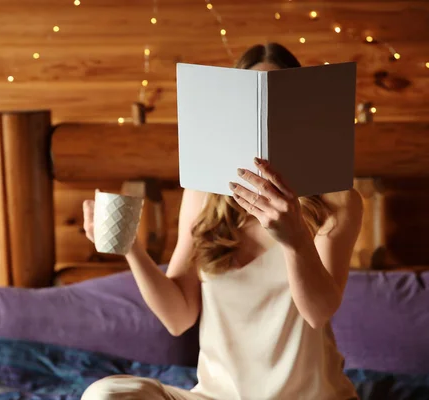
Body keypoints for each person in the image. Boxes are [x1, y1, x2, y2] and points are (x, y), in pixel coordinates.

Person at [81, 42, 363, 400]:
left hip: (306, 395)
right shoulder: (204, 195)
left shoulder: (336, 199)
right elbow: (178, 317)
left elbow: (318, 312)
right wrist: (131, 249)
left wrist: (295, 240)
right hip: (217, 395)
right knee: (105, 394)